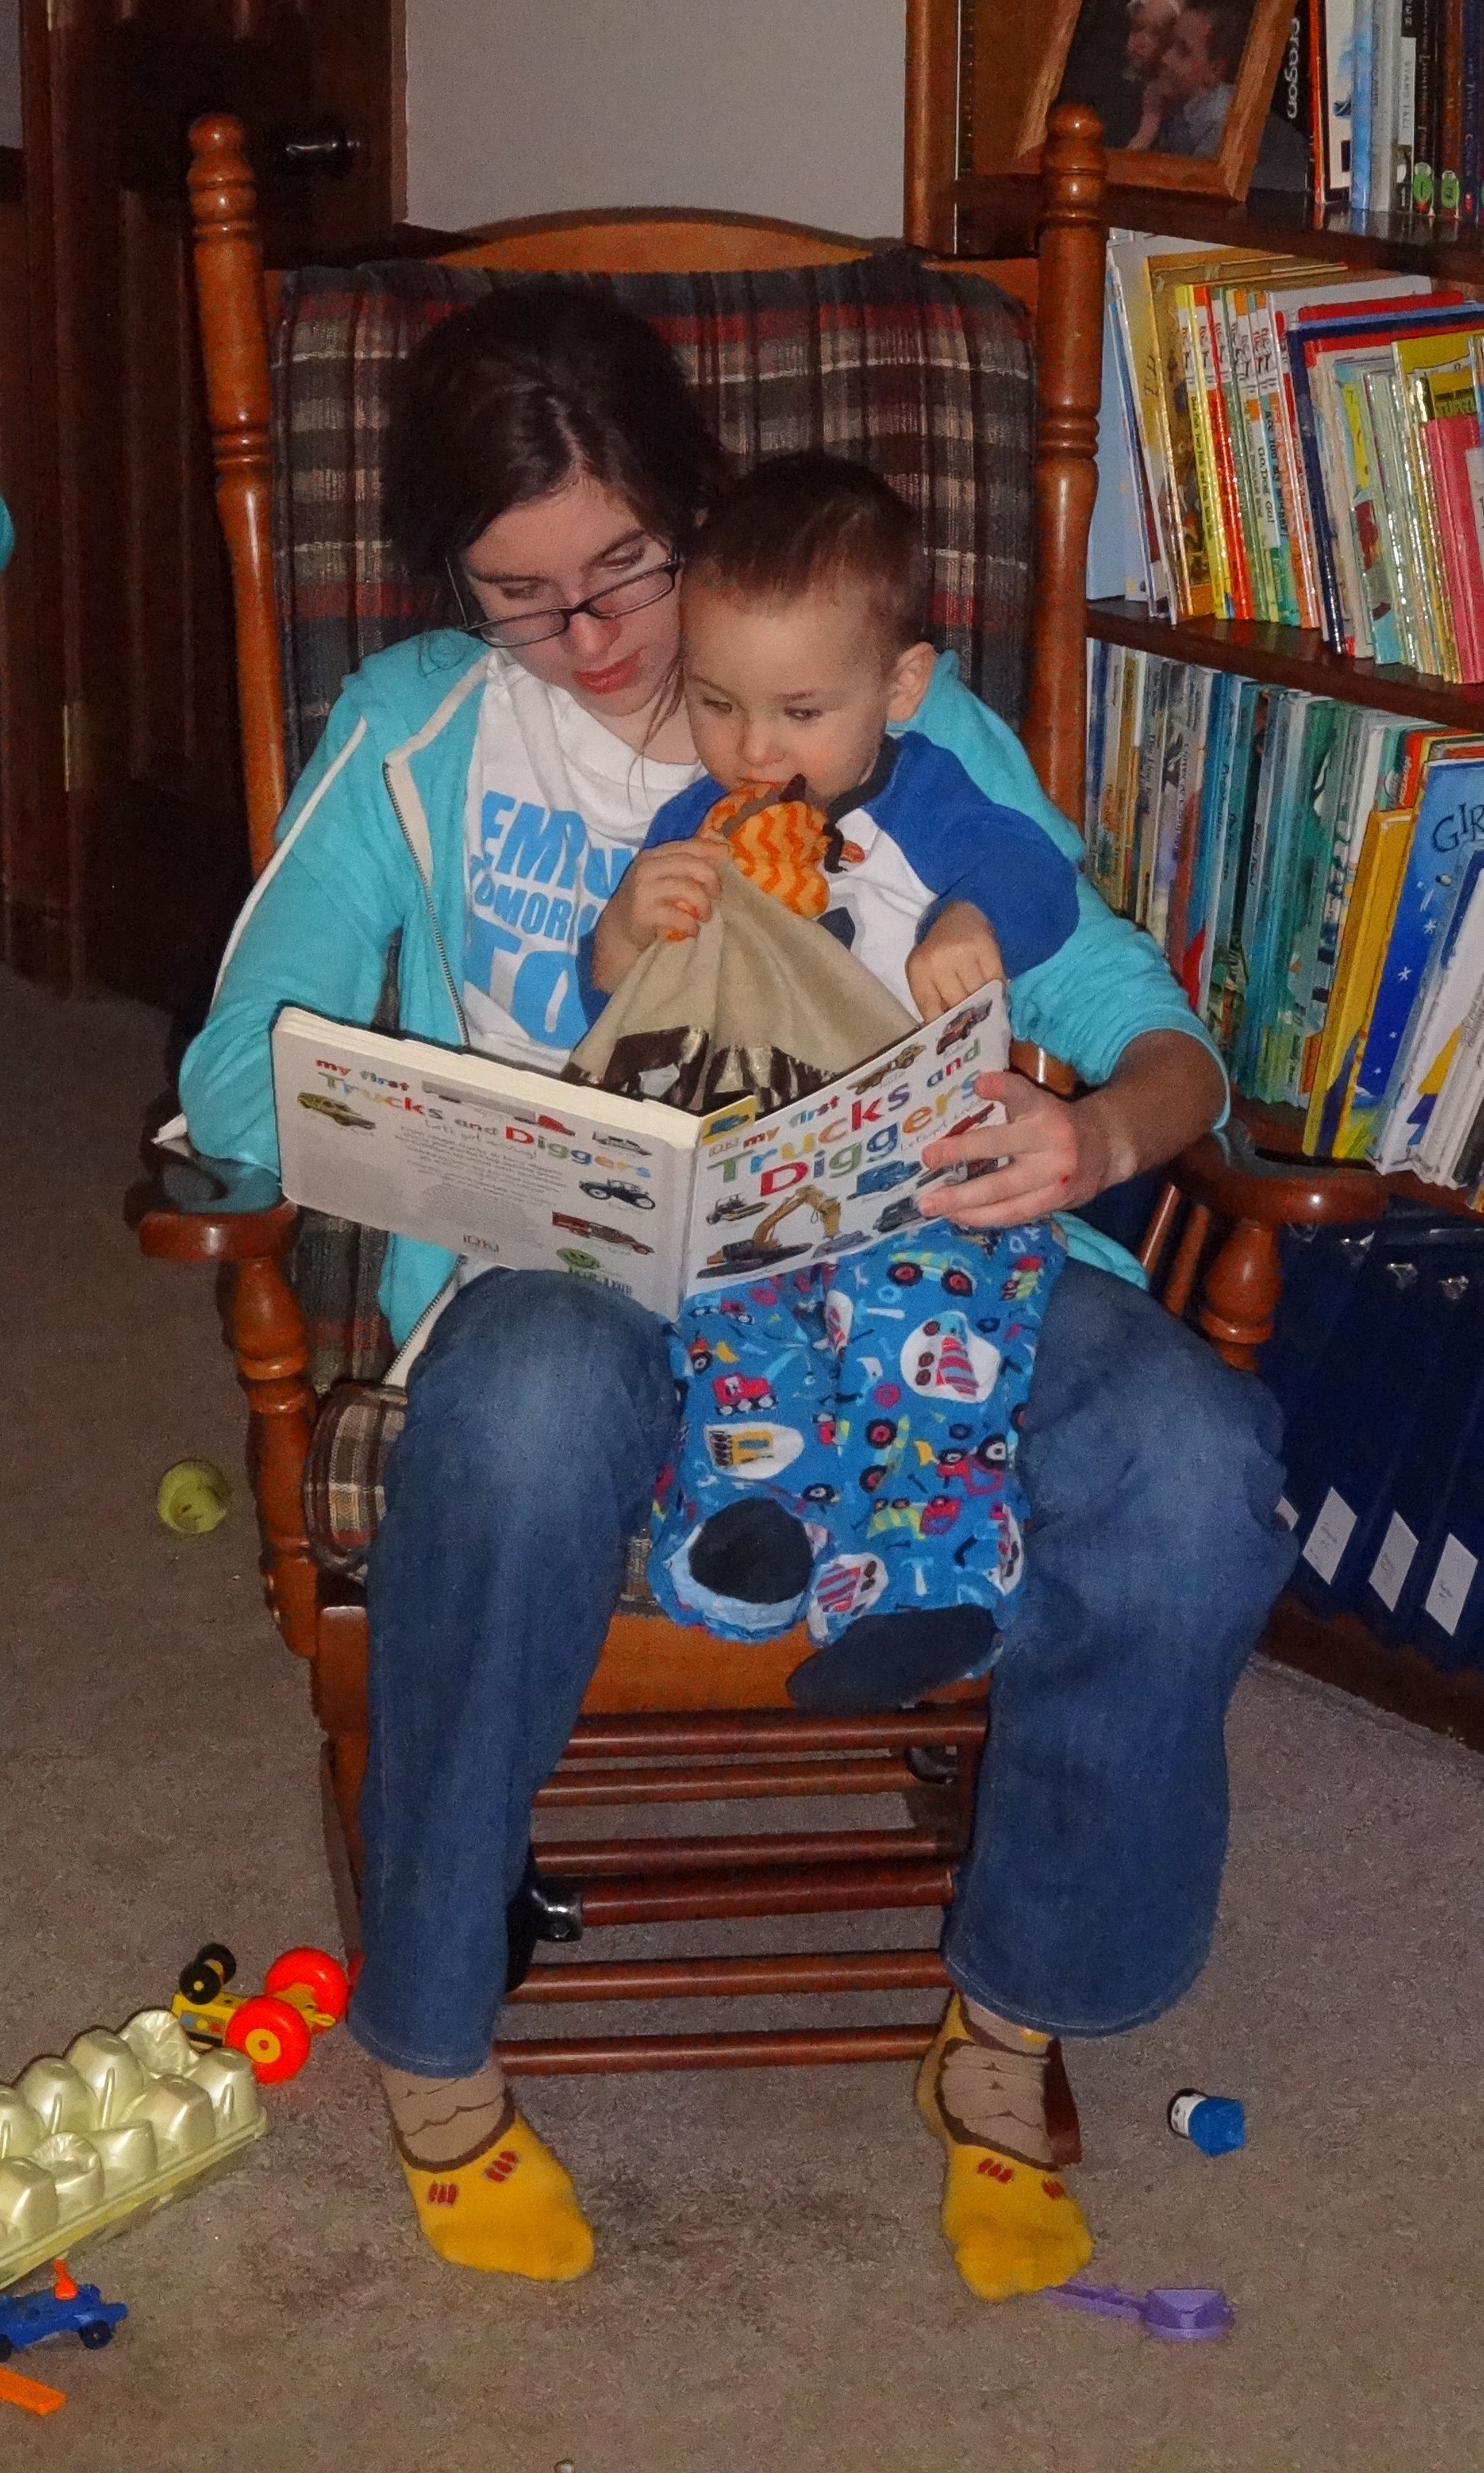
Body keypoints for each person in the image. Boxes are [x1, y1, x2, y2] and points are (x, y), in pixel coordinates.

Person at [176, 280, 1298, 2297]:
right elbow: (241, 1076)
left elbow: (1153, 1029)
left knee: (1191, 1461)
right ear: (452, 584)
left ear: (698, 507)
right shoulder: (419, 731)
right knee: (526, 1411)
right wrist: (472, 1115)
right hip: (580, 1271)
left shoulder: (877, 710)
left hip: (940, 1253)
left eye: (626, 568)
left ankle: (1014, 2012)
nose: (595, 636)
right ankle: (434, 2034)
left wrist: (1097, 1139)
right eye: (524, 596)